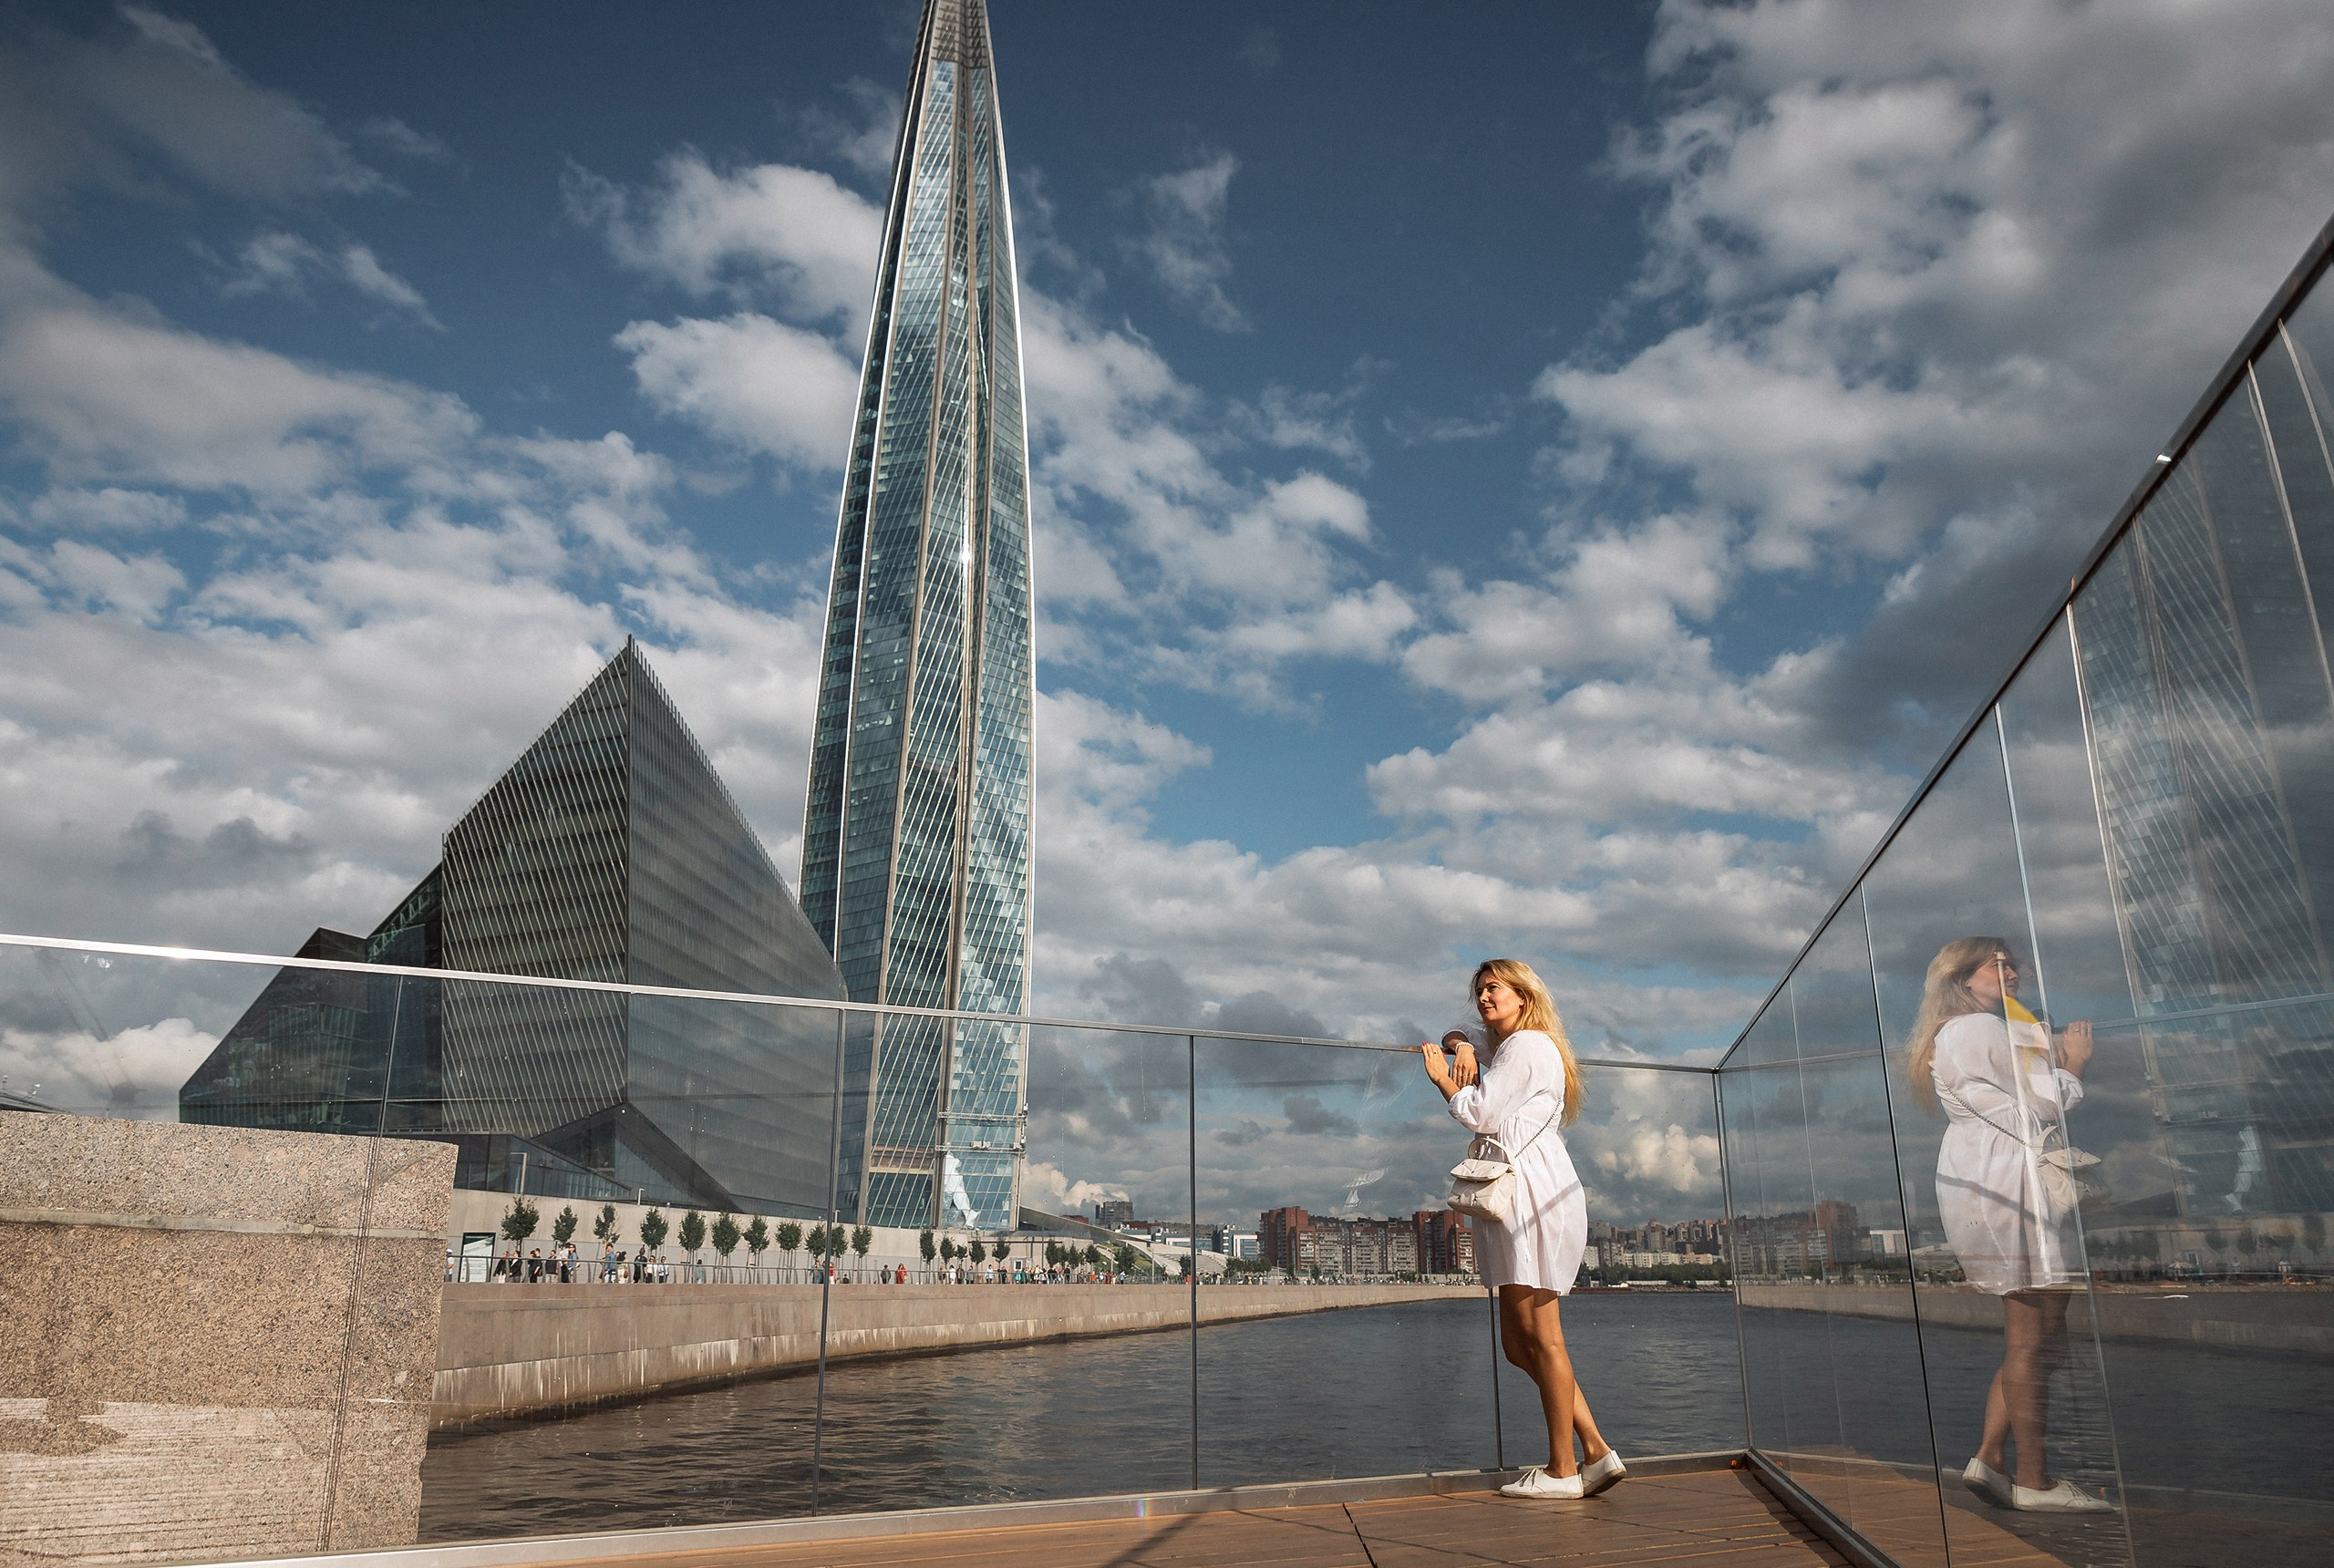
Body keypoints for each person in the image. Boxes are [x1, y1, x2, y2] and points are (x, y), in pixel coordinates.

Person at [1912, 938, 2112, 1515]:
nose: (2011, 971)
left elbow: (2018, 1100)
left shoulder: (1965, 1034)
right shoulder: (1973, 1032)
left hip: (1994, 1185)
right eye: (1993, 964)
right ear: (1960, 978)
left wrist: (2042, 1056)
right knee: (2035, 1341)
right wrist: (2073, 1062)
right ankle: (2036, 1482)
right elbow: (2036, 1113)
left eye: (2011, 962)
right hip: (2012, 1190)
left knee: (2039, 1340)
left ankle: (1991, 1459)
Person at [1422, 957, 1623, 1501]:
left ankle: (1563, 1471)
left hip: (1530, 1194)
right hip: (1517, 1193)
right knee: (1517, 1343)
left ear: (1523, 996)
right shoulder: (1510, 1046)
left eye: (1494, 989)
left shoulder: (1528, 1047)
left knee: (1542, 1337)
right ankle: (1597, 1450)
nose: (1484, 998)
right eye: (1479, 990)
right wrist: (1461, 1042)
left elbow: (1481, 1112)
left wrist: (1445, 1081)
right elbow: (1461, 1035)